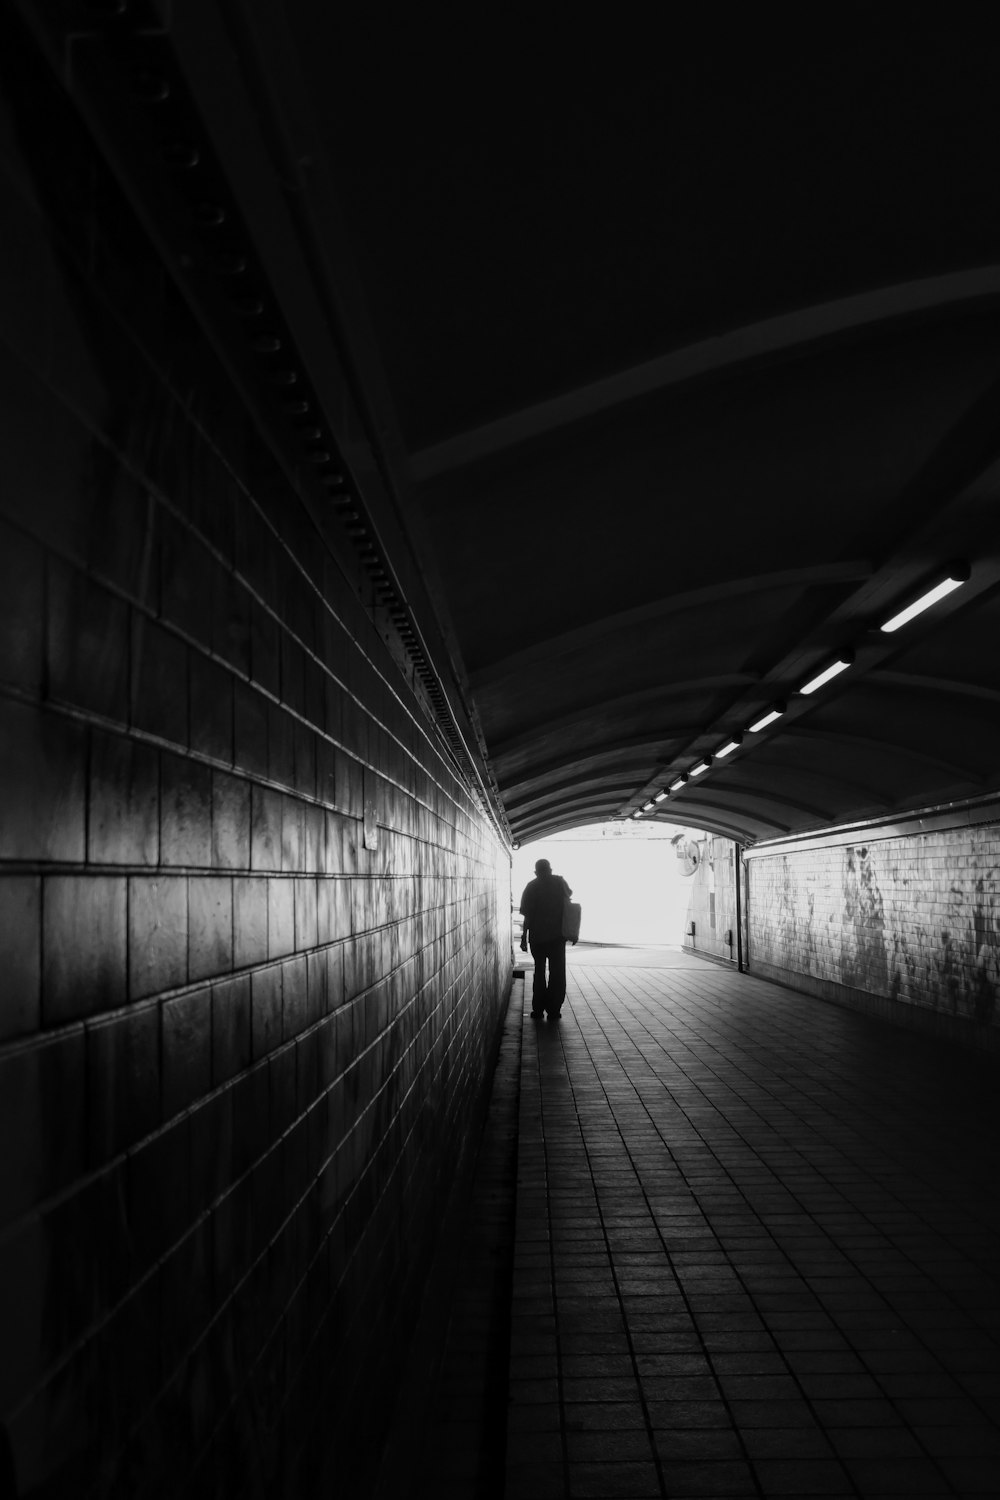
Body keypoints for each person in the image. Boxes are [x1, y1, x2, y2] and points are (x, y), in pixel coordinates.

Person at [519, 858, 573, 1020]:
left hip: (537, 938)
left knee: (539, 972)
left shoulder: (531, 886)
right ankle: (554, 1009)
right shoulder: (559, 882)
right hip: (557, 938)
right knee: (557, 973)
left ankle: (538, 1009)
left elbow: (527, 916)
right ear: (550, 870)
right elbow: (569, 899)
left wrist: (523, 937)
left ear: (536, 872)